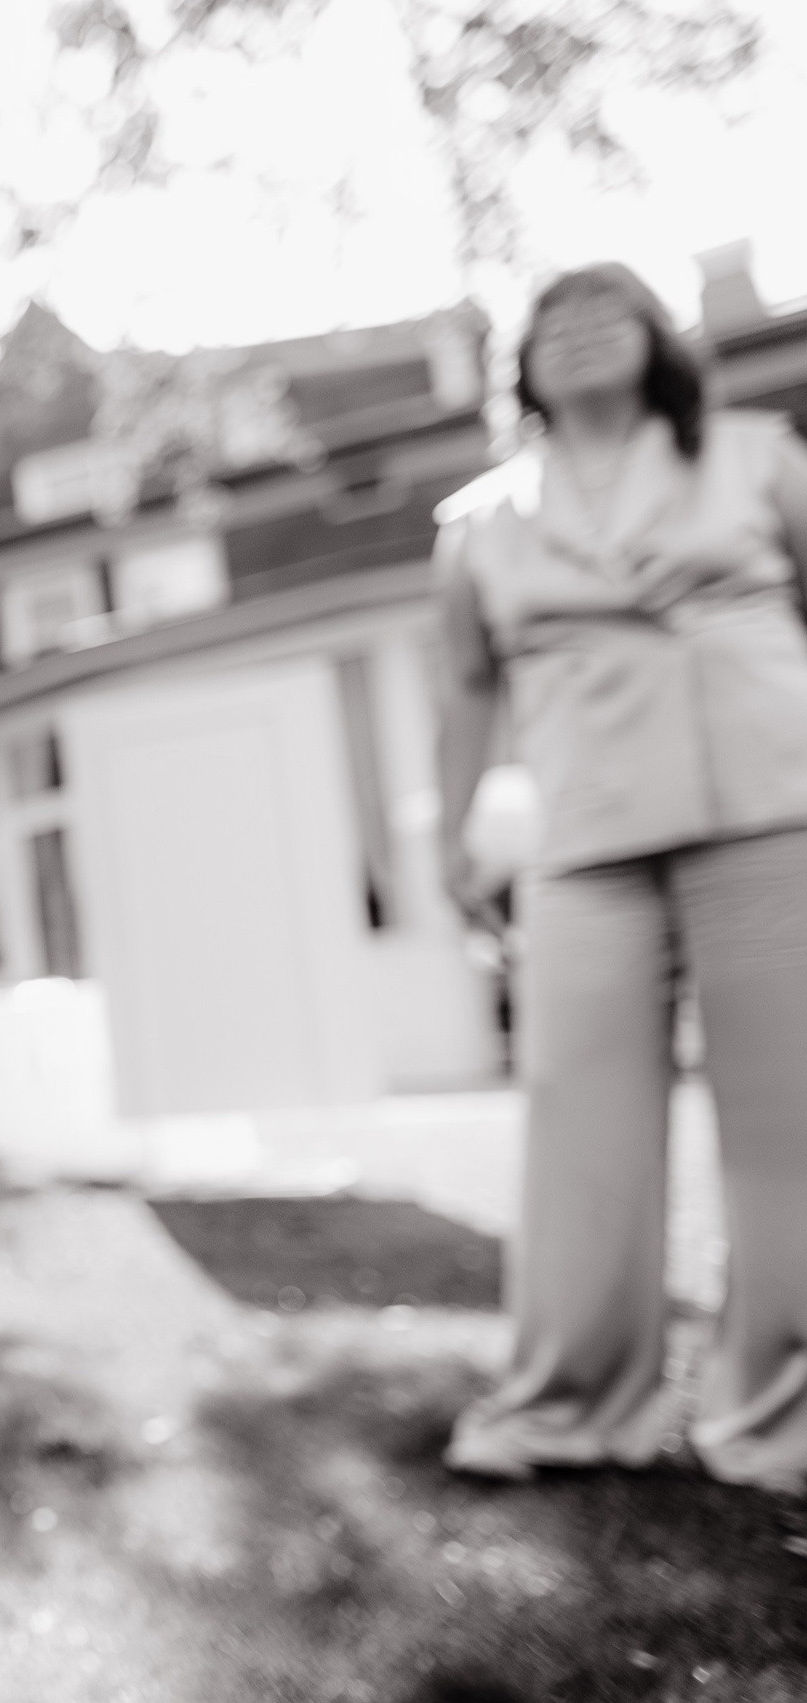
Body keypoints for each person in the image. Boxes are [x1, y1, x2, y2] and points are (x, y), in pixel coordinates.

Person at [433, 261, 807, 1493]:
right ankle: (573, 1401)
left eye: (612, 309)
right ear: (523, 368)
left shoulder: (758, 456)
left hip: (769, 798)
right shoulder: (480, 519)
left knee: (786, 1123)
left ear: (662, 339)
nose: (583, 328)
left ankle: (782, 1410)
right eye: (555, 319)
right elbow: (470, 690)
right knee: (577, 1122)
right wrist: (452, 836)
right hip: (582, 831)